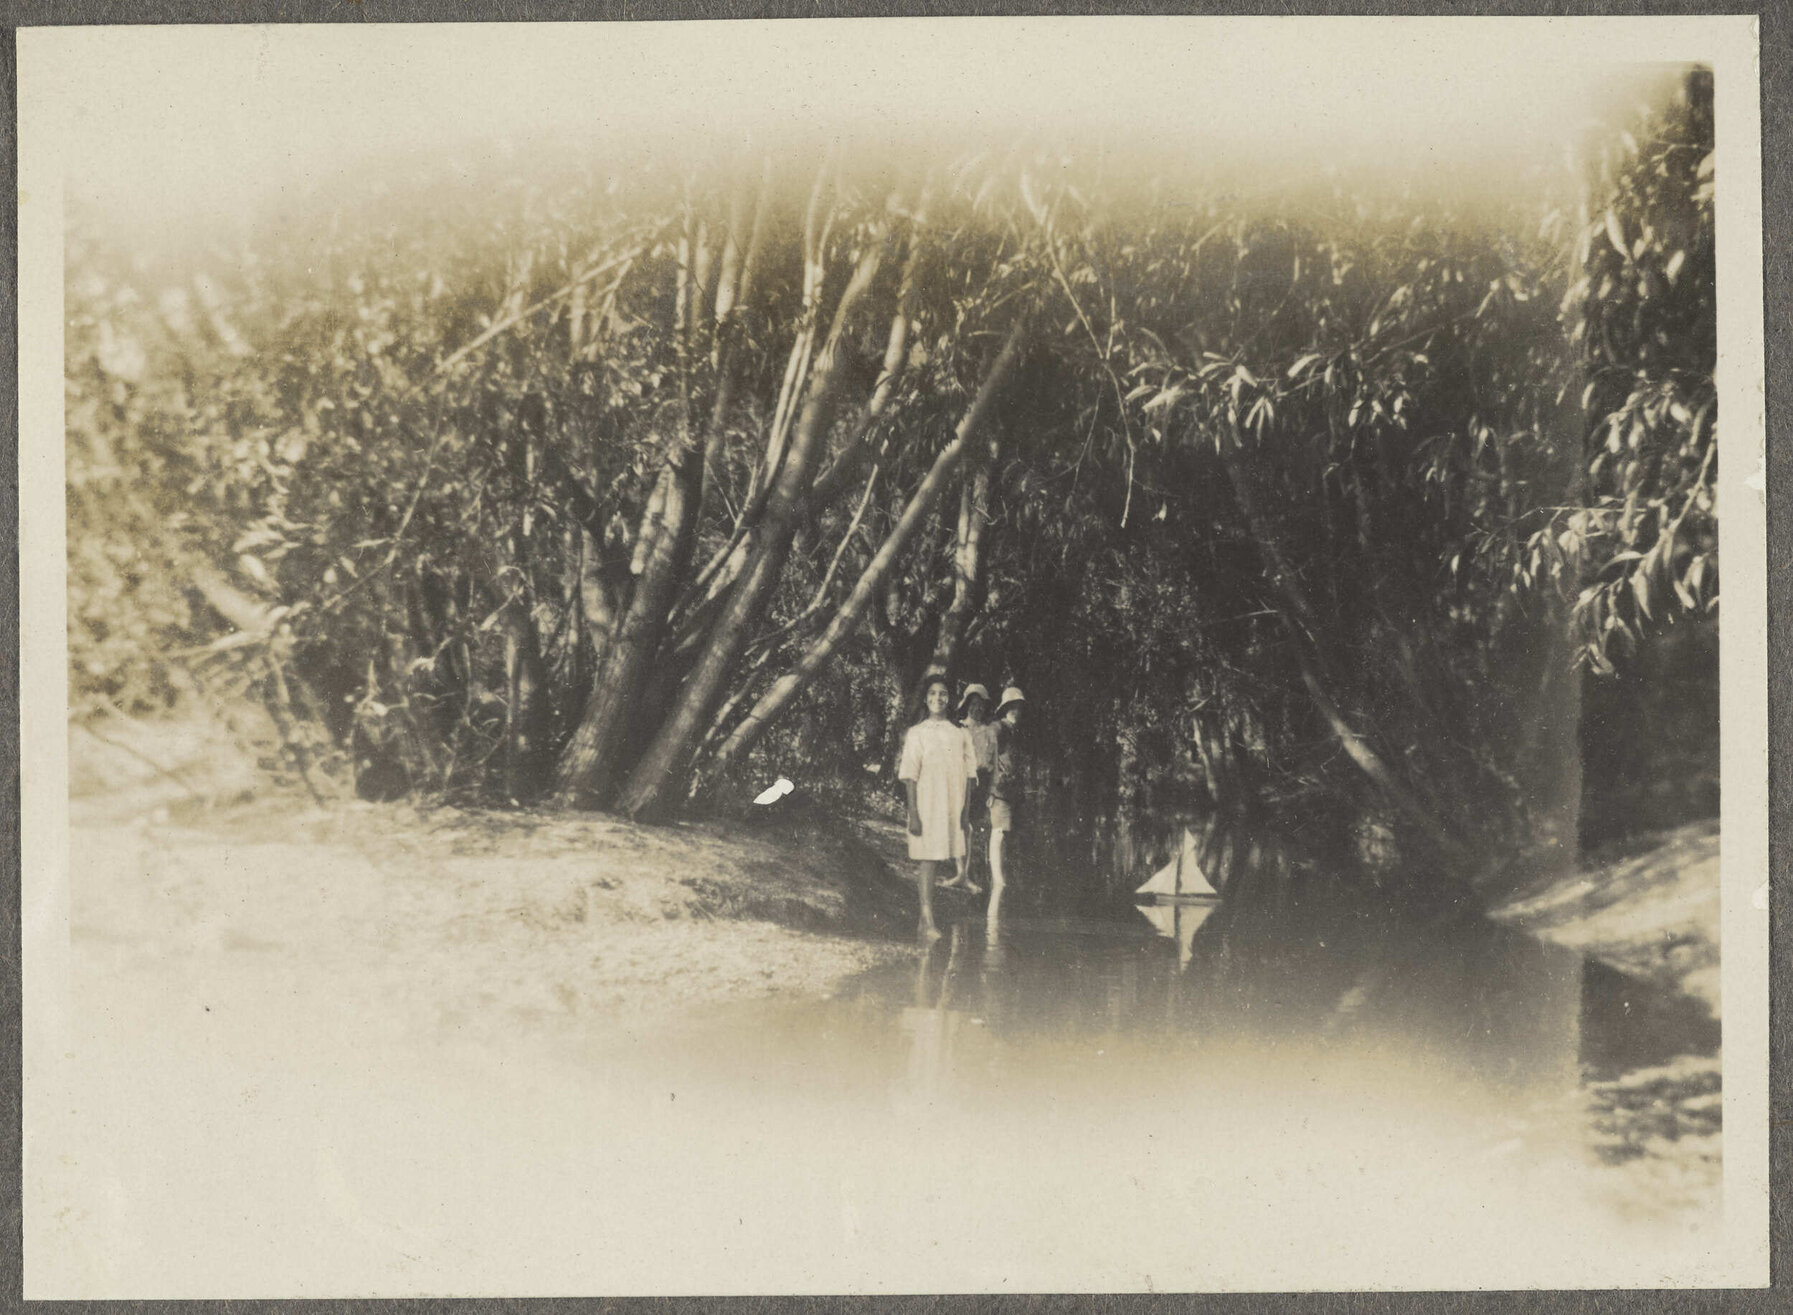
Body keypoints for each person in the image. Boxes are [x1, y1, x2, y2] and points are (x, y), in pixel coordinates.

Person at [898, 675, 979, 942]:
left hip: (951, 806)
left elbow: (969, 776)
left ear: (950, 699)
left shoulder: (960, 734)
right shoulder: (917, 733)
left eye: (943, 694)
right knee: (928, 859)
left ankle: (926, 922)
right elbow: (910, 775)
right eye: (932, 694)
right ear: (926, 699)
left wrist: (965, 812)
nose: (937, 698)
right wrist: (914, 814)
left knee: (941, 856)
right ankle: (926, 920)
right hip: (926, 804)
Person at [942, 683, 997, 892]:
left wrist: (991, 790)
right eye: (973, 704)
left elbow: (994, 767)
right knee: (960, 824)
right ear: (967, 705)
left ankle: (964, 874)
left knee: (970, 825)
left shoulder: (989, 732)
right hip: (961, 778)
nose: (977, 709)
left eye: (980, 705)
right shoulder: (959, 728)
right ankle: (960, 874)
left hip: (980, 780)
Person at [986, 686, 1026, 923]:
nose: (1016, 710)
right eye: (1012, 706)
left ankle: (999, 881)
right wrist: (989, 788)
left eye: (1019, 707)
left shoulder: (1015, 731)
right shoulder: (997, 727)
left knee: (1007, 834)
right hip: (998, 789)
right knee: (998, 832)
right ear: (1005, 708)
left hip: (1012, 789)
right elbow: (987, 755)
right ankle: (997, 880)